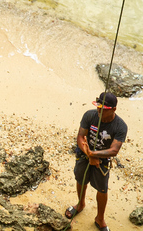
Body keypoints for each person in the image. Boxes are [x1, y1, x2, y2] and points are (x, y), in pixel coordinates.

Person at [65, 92, 127, 231]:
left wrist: (95, 154)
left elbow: (114, 150)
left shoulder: (120, 126)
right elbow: (81, 137)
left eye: (104, 109)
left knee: (102, 188)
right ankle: (80, 204)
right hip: (84, 154)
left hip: (102, 161)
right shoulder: (89, 115)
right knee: (81, 179)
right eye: (98, 107)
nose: (99, 110)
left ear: (113, 110)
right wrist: (89, 154)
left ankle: (100, 218)